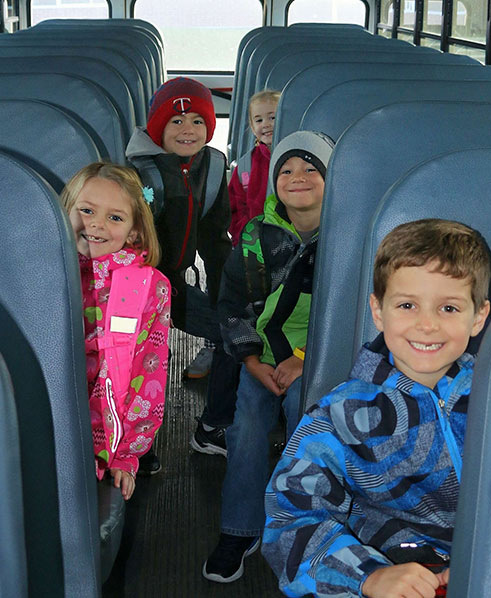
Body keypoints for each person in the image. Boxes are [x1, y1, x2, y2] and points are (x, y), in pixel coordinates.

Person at [262, 218, 491, 598]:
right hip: (394, 567)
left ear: (479, 317)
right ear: (378, 311)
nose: (427, 325)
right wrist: (367, 575)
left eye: (449, 308)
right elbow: (291, 514)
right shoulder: (342, 415)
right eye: (407, 305)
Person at [203, 130, 335, 583]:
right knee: (247, 427)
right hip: (261, 351)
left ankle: (306, 524)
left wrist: (304, 358)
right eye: (286, 170)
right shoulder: (257, 236)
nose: (297, 177)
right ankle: (240, 529)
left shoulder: (348, 236)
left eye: (310, 168)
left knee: (307, 421)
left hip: (318, 352)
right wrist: (251, 360)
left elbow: (354, 310)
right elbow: (233, 302)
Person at [126, 76, 238, 468]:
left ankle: (212, 427)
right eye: (176, 121)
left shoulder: (212, 165)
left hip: (175, 284)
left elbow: (215, 236)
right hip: (137, 288)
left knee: (234, 333)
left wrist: (230, 297)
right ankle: (134, 447)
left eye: (197, 121)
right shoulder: (139, 172)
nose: (187, 129)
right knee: (140, 362)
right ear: (158, 128)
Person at [60, 162, 171, 500]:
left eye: (115, 218)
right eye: (87, 210)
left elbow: (148, 378)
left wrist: (125, 454)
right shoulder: (43, 271)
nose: (96, 224)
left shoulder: (149, 288)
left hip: (103, 442)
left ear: (134, 232)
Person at [228, 89, 281, 246]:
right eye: (258, 120)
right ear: (252, 127)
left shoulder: (298, 156)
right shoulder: (246, 165)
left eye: (273, 117)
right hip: (254, 241)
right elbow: (235, 207)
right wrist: (245, 235)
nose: (266, 124)